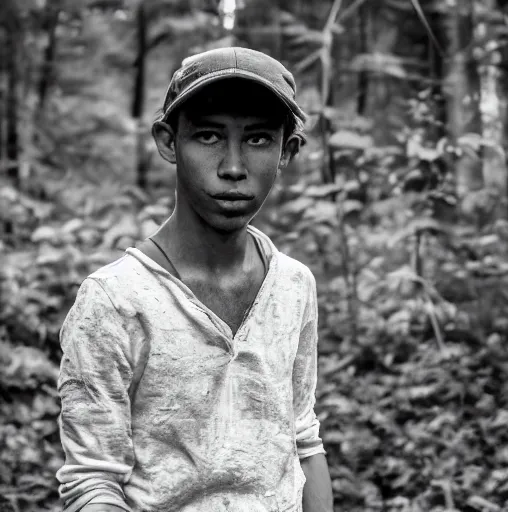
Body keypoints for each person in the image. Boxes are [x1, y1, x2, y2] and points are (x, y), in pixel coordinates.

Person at [56, 46, 333, 512]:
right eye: (208, 137)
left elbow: (301, 435)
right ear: (168, 142)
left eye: (259, 140)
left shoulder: (293, 286)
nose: (232, 167)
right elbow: (93, 482)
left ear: (288, 151)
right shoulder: (116, 300)